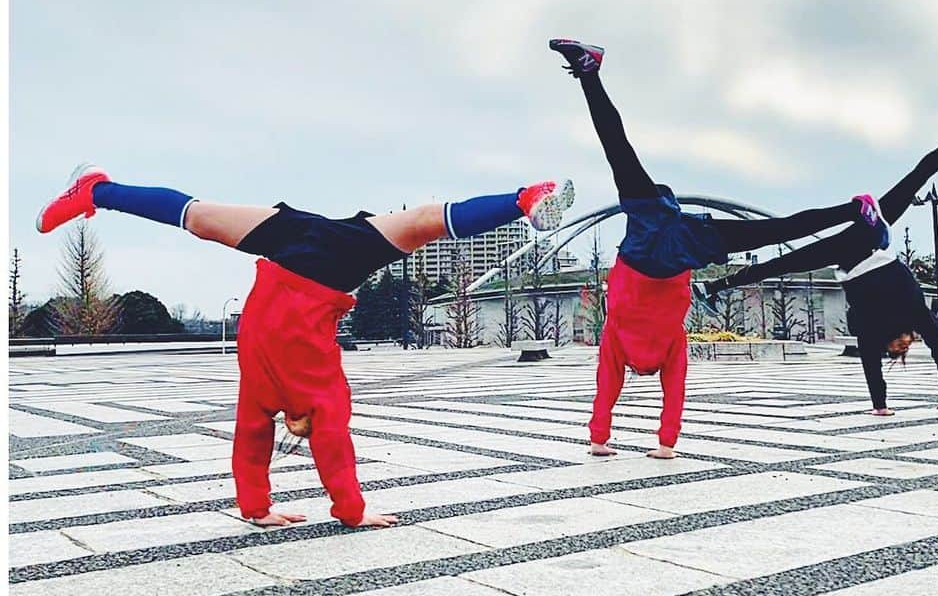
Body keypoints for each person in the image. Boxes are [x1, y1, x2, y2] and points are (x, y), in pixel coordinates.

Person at [36, 165, 574, 527]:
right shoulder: (275, 395)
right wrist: (261, 507)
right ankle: (97, 191)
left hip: (327, 255)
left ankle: (523, 200)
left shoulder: (319, 396)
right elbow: (259, 445)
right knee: (199, 217)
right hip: (296, 247)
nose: (299, 430)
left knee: (423, 222)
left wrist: (347, 508)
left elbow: (323, 446)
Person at [550, 37, 877, 458]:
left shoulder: (670, 344)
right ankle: (589, 74)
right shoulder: (617, 340)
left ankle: (854, 209)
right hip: (646, 241)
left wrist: (666, 445)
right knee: (618, 150)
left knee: (777, 230)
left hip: (681, 249)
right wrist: (599, 439)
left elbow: (672, 389)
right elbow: (607, 383)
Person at [700, 110, 938, 415]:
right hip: (868, 247)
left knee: (781, 257)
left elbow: (870, 362)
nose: (905, 345)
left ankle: (714, 286)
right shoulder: (914, 314)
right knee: (915, 179)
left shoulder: (872, 328)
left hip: (853, 254)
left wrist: (880, 407)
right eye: (906, 346)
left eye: (898, 349)